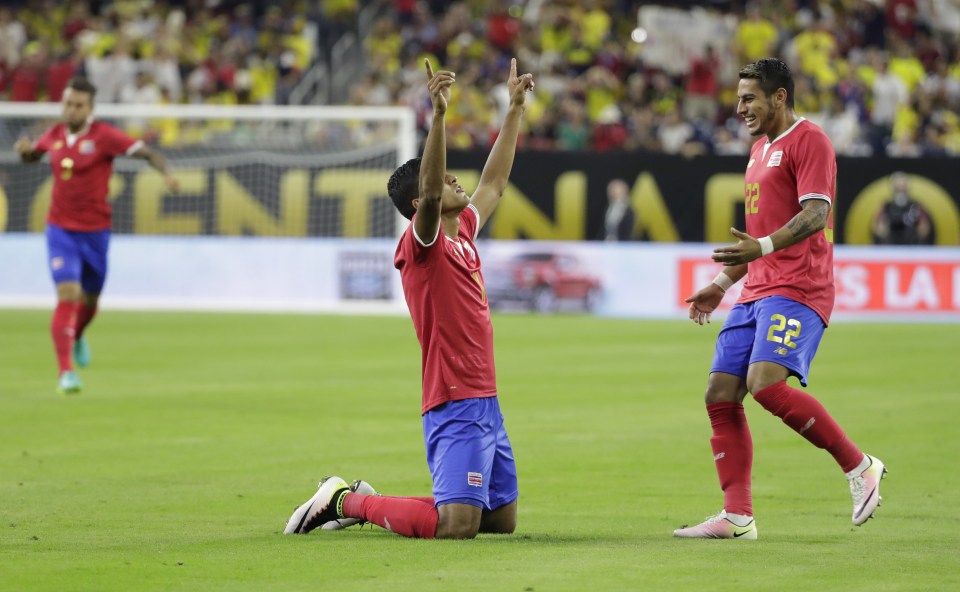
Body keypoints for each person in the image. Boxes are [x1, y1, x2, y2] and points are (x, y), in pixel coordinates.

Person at [283, 58, 535, 539]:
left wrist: (515, 110)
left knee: (499, 521)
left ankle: (368, 498)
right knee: (457, 528)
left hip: (486, 399)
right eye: (444, 179)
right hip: (454, 398)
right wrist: (438, 117)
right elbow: (433, 194)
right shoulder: (423, 247)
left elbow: (495, 183)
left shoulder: (462, 233)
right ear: (421, 203)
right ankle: (344, 500)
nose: (456, 180)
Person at [676, 59, 886, 540]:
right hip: (756, 290)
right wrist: (723, 283)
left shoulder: (810, 140)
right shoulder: (757, 150)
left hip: (799, 287)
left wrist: (763, 248)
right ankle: (737, 516)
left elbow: (815, 215)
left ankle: (860, 467)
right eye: (738, 98)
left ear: (779, 97)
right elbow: (758, 238)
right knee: (720, 394)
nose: (740, 107)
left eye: (749, 98)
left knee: (766, 384)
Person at [15, 77, 179, 395]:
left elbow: (147, 153)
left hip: (95, 234)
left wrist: (168, 175)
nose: (71, 110)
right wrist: (24, 151)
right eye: (68, 104)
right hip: (60, 229)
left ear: (90, 109)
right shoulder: (54, 134)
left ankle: (77, 336)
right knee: (67, 293)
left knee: (90, 300)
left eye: (78, 105)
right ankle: (66, 373)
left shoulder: (105, 136)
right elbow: (34, 156)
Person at [873, 172, 932, 245]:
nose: (901, 189)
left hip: (911, 246)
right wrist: (884, 232)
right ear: (893, 188)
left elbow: (924, 227)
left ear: (907, 187)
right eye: (898, 187)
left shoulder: (916, 205)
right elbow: (878, 226)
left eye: (903, 186)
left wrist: (917, 236)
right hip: (890, 246)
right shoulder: (886, 206)